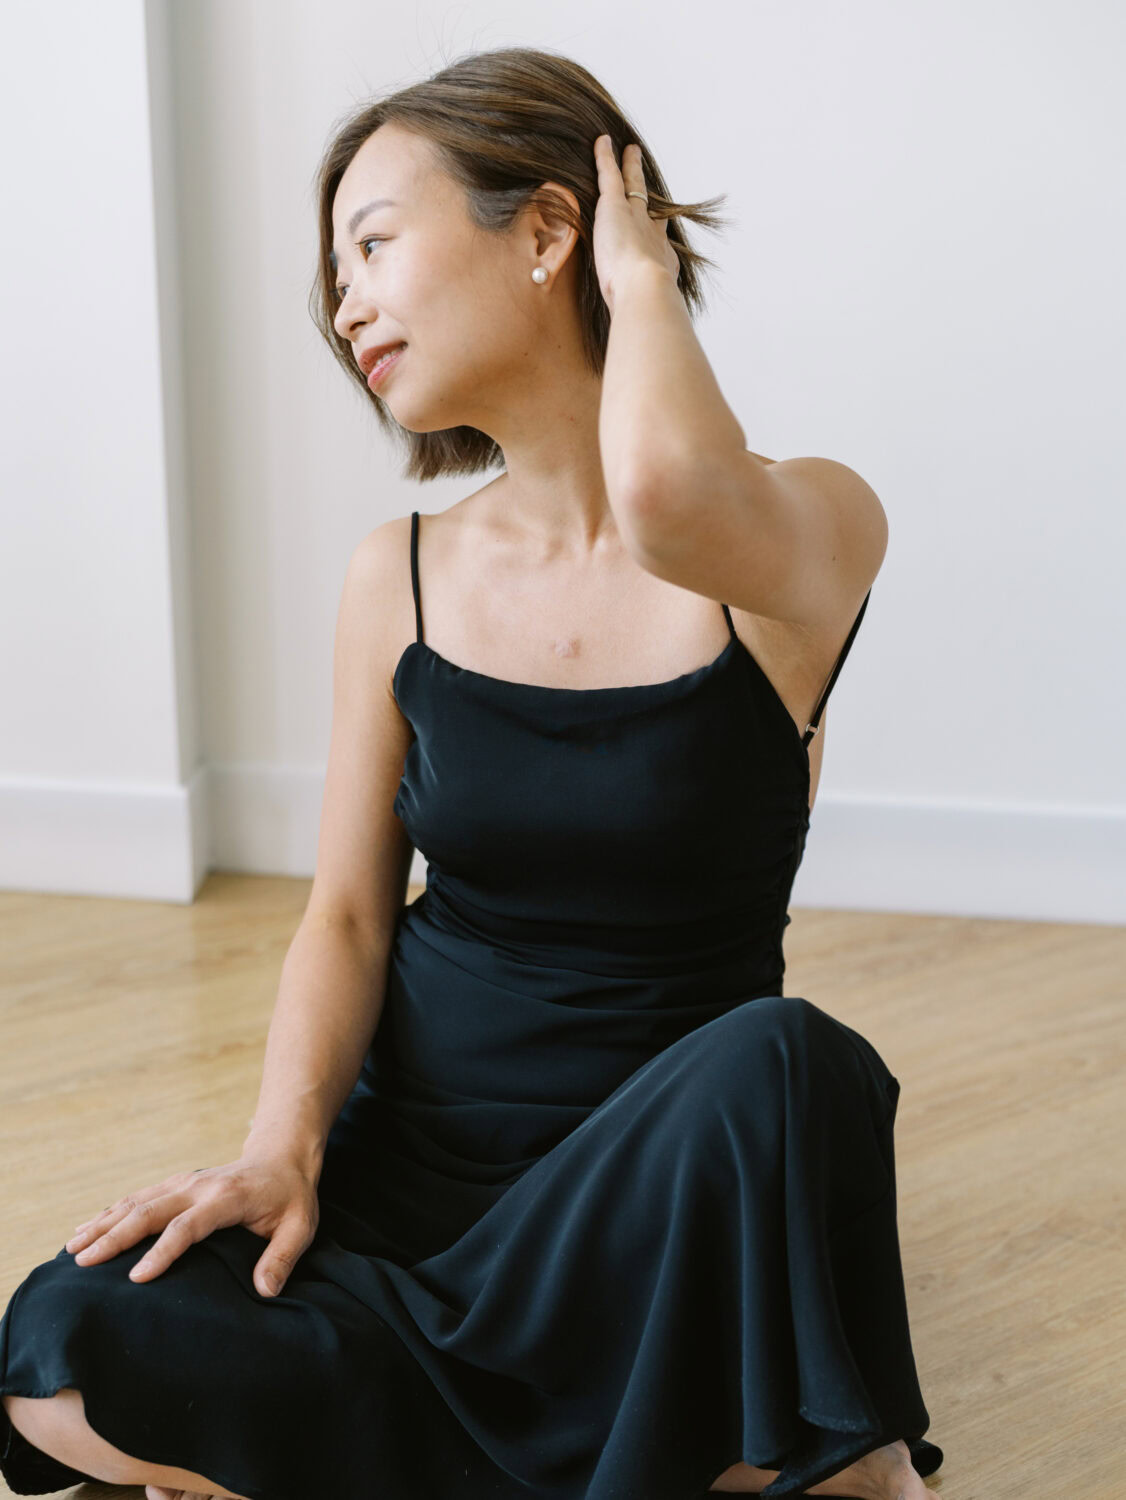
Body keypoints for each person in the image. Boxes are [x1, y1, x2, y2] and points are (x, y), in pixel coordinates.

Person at [1, 45, 945, 1500]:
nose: (345, 302)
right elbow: (348, 918)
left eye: (374, 242)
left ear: (551, 230)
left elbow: (669, 498)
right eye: (335, 271)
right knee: (61, 1336)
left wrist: (638, 287)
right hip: (415, 1200)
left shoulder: (802, 534)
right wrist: (280, 1153)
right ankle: (675, 1450)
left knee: (793, 1063)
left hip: (664, 1196)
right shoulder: (402, 575)